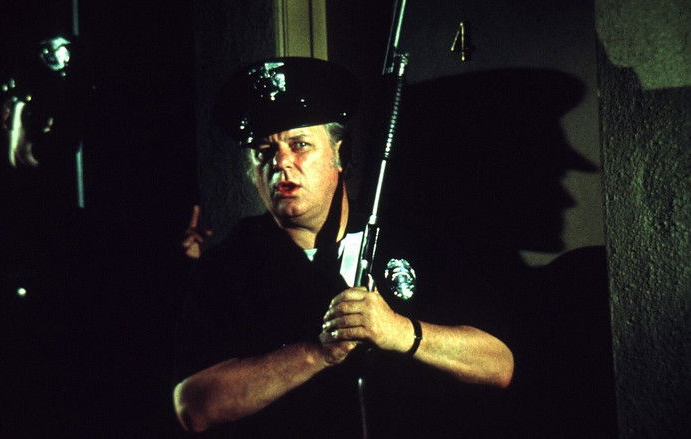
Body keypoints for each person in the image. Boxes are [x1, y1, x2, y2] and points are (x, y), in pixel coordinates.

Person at [172, 57, 515, 438]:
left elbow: (498, 365)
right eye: (264, 151)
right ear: (252, 171)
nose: (282, 162)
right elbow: (193, 406)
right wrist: (316, 354)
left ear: (341, 153)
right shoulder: (229, 266)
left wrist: (400, 332)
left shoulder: (414, 238)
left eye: (300, 145)